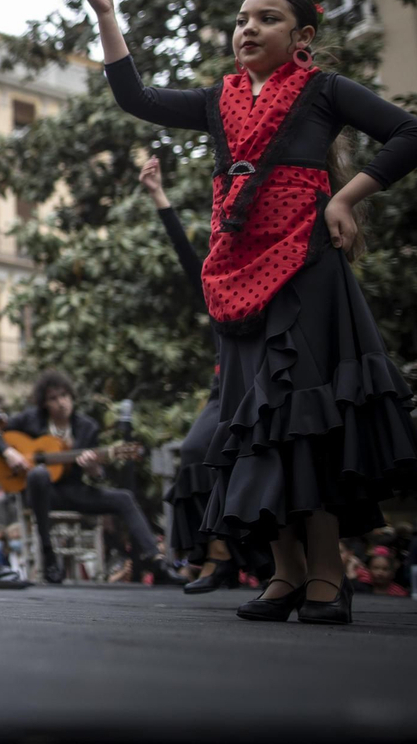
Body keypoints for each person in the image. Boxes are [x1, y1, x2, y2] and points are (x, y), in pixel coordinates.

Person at [85, 0, 417, 624]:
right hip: (235, 275)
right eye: (242, 18)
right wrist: (108, 15)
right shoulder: (218, 100)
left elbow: (413, 134)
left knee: (304, 419)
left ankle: (328, 576)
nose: (247, 27)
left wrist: (348, 198)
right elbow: (134, 97)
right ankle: (284, 573)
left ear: (301, 37)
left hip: (306, 268)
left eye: (267, 18)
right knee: (251, 424)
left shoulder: (325, 89)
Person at [138, 155, 262, 594]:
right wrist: (158, 196)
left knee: (264, 460)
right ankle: (218, 557)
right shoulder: (215, 283)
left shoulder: (265, 272)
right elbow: (188, 255)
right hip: (222, 387)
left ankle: (276, 562)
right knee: (194, 452)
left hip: (265, 381)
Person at [0, 371, 186, 586]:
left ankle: (158, 563)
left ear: (72, 396)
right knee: (39, 473)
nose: (61, 402)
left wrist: (94, 469)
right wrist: (9, 452)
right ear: (44, 404)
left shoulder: (86, 427)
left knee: (124, 498)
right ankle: (49, 555)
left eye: (64, 396)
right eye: (53, 398)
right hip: (41, 494)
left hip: (74, 492)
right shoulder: (30, 419)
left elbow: (98, 477)